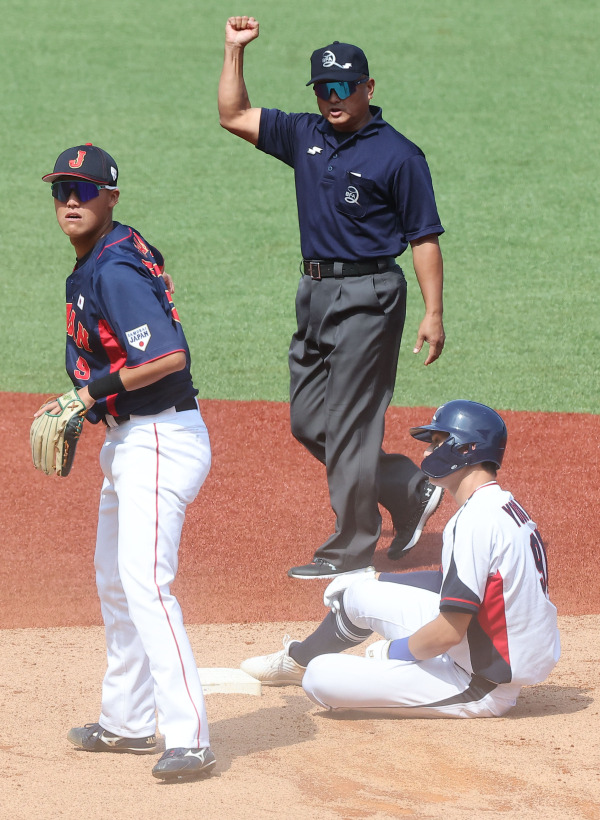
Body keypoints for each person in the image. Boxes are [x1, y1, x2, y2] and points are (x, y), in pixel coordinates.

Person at [218, 17, 446, 579]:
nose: (333, 97)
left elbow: (424, 238)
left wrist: (433, 312)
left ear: (369, 88)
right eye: (324, 88)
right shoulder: (305, 134)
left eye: (344, 87)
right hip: (315, 291)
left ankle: (351, 546)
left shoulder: (399, 156)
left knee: (348, 422)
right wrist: (233, 51)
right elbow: (233, 115)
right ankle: (406, 487)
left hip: (370, 294)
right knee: (308, 421)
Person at [37, 144, 216, 780]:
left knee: (145, 584)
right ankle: (127, 721)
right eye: (61, 191)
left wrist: (88, 394)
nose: (70, 203)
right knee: (116, 581)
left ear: (111, 196)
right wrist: (94, 410)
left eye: (83, 191)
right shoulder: (103, 258)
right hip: (132, 439)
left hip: (161, 439)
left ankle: (189, 735)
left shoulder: (112, 271)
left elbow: (170, 357)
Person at [240, 400, 561, 717]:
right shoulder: (500, 507)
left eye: (437, 442)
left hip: (480, 682)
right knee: (358, 594)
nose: (426, 452)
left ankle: (322, 669)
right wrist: (375, 578)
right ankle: (298, 660)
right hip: (481, 646)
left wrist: (393, 652)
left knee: (320, 677)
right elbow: (447, 584)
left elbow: (448, 632)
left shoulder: (475, 521)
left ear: (466, 449)